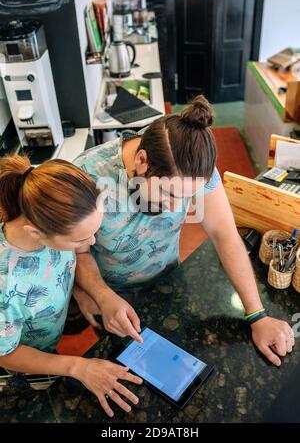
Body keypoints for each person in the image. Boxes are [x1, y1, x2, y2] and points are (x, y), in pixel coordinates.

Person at [73, 95, 295, 367]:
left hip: (171, 283)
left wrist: (257, 315)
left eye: (186, 197)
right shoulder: (85, 176)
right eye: (168, 193)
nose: (175, 206)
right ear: (142, 160)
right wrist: (96, 293)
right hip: (110, 294)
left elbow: (225, 235)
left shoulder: (193, 166)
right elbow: (74, 251)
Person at [0, 155, 142, 418]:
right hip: (21, 361)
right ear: (36, 233)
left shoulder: (52, 215)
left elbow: (70, 257)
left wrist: (90, 292)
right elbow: (5, 353)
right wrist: (78, 367)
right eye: (81, 238)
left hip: (48, 341)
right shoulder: (5, 283)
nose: (92, 241)